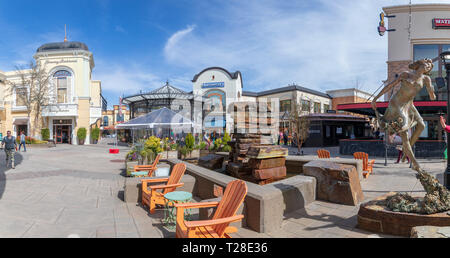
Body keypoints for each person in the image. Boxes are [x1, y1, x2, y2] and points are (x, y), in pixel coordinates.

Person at [371, 58, 435, 172]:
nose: (428, 66)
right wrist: (375, 99)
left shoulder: (426, 79)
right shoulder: (406, 74)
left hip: (409, 104)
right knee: (404, 132)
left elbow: (432, 97)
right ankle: (415, 164)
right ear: (420, 64)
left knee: (421, 125)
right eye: (427, 64)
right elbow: (389, 86)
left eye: (430, 66)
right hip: (396, 104)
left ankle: (405, 152)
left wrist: (431, 91)